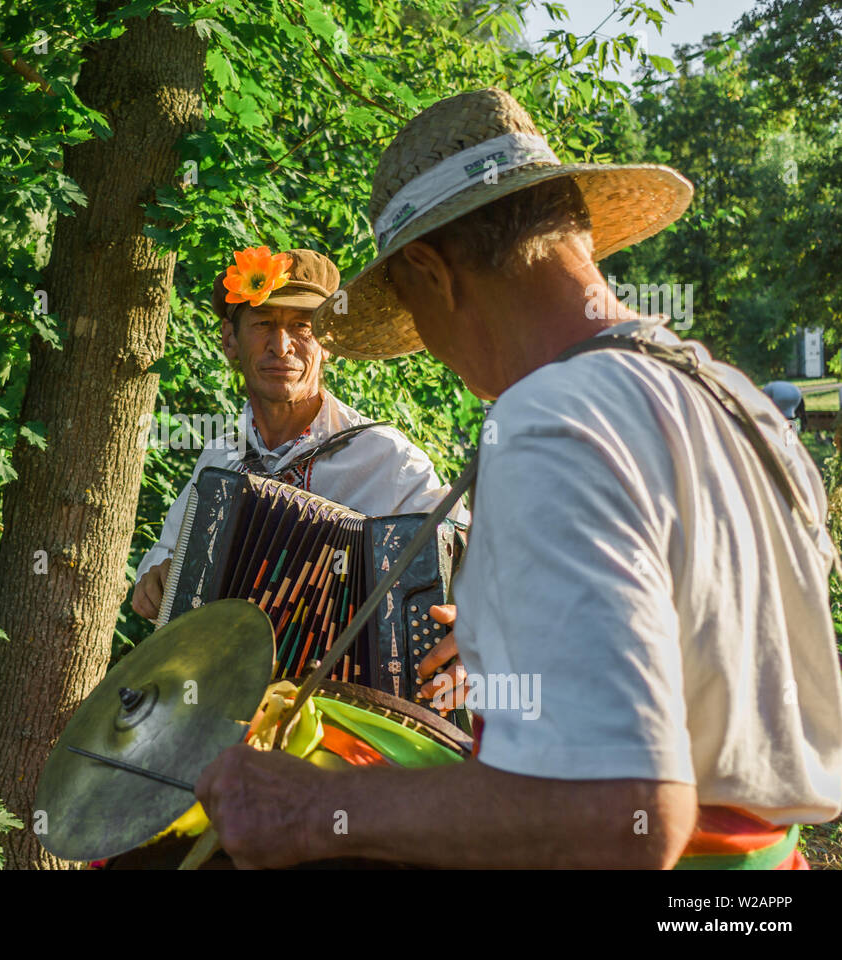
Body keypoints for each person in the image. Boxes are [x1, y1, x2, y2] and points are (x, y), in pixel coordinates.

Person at [194, 88, 842, 869]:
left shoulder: (551, 420)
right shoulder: (730, 396)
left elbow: (618, 816)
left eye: (415, 320)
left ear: (433, 273)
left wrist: (309, 807)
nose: (433, 347)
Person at [131, 245, 469, 704]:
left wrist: (473, 628)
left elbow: (474, 559)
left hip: (346, 716)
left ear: (326, 343)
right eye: (264, 324)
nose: (282, 345)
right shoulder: (220, 457)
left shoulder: (386, 457)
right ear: (230, 340)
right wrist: (153, 581)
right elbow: (167, 556)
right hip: (221, 704)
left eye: (302, 327)